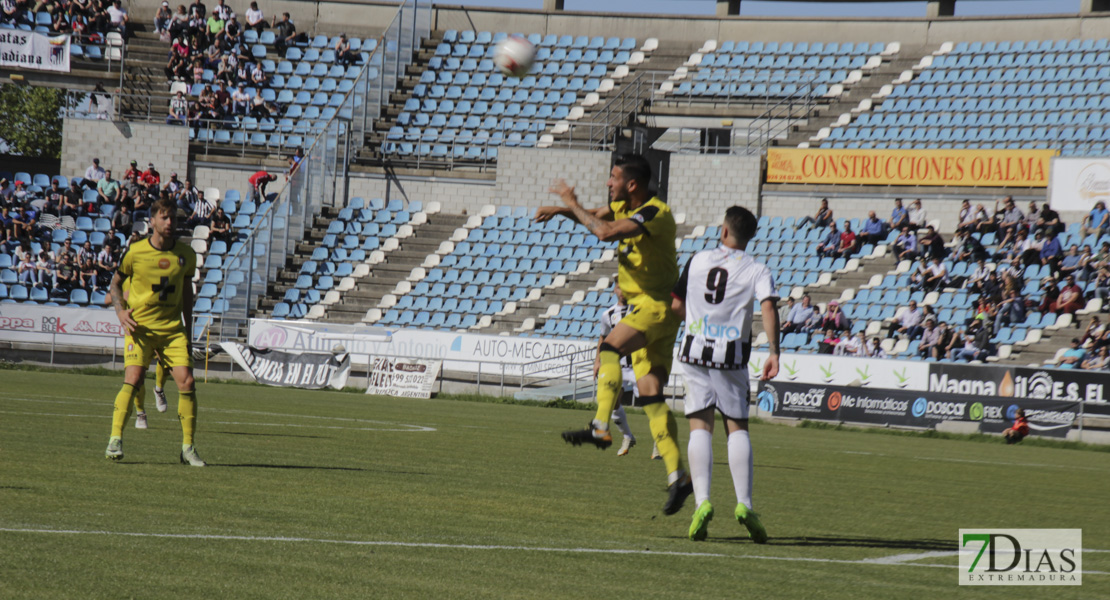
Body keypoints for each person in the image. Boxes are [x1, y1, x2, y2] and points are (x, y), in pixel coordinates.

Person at [535, 154, 691, 514]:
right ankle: (678, 477)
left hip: (655, 306)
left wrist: (568, 202)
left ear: (631, 183)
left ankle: (601, 427)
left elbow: (603, 233)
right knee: (651, 398)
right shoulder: (622, 205)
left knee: (608, 349)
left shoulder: (655, 213)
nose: (609, 183)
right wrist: (561, 211)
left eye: (613, 177)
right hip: (651, 311)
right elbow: (596, 217)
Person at [670, 205, 776, 543]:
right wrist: (774, 352)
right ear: (749, 237)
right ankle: (744, 505)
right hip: (730, 357)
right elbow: (769, 306)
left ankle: (702, 503)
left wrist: (698, 323)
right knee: (737, 428)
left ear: (724, 230)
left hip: (693, 350)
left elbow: (675, 304)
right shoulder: (758, 269)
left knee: (699, 425)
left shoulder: (698, 259)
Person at [104, 197, 204, 466]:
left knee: (187, 382)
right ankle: (115, 439)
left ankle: (188, 448)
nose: (171, 223)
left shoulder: (186, 255)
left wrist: (188, 328)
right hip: (141, 329)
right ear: (154, 221)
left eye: (174, 218)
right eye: (165, 217)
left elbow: (186, 292)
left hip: (172, 331)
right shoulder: (135, 252)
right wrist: (120, 311)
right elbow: (115, 285)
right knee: (134, 378)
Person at [595, 281, 657, 458]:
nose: (622, 291)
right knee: (613, 402)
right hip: (618, 366)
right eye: (619, 287)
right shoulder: (608, 315)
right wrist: (597, 362)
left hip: (639, 365)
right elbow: (603, 338)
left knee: (649, 404)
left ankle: (659, 442)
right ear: (614, 289)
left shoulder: (640, 308)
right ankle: (628, 436)